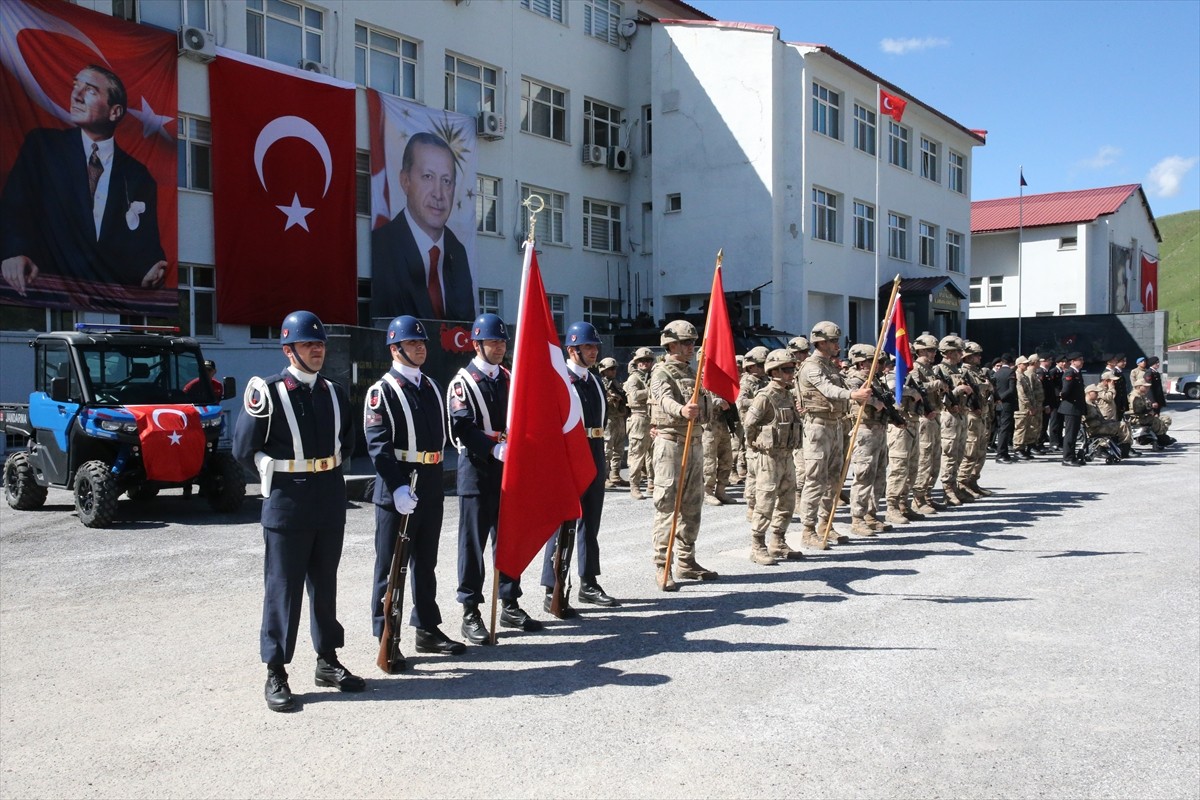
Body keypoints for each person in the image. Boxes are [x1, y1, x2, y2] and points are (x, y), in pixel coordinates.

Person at [233, 310, 362, 712]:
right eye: (309, 344)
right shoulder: (267, 392)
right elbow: (242, 449)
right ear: (289, 350)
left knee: (326, 586)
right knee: (283, 590)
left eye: (321, 344)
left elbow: (348, 445)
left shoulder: (335, 392)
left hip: (327, 499)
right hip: (287, 502)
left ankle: (327, 660)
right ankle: (276, 669)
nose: (318, 350)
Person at [1, 65, 166, 298]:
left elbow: (145, 246)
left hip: (108, 300)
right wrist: (14, 252)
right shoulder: (42, 147)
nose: (76, 95)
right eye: (75, 85)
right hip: (43, 292)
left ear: (115, 112)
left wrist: (151, 269)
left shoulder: (139, 175)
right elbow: (14, 210)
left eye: (90, 90)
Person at [367, 315, 466, 661]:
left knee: (426, 562)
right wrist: (396, 487)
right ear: (395, 349)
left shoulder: (431, 386)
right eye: (412, 343)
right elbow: (378, 445)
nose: (420, 348)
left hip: (429, 481)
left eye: (422, 343)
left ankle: (426, 628)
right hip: (399, 484)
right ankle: (386, 634)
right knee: (391, 564)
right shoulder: (382, 391)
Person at [447, 313, 542, 645]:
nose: (499, 347)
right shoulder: (463, 382)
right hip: (477, 468)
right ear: (476, 345)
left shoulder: (507, 376)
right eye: (493, 342)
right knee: (473, 543)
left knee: (508, 539)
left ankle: (510, 601)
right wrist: (492, 449)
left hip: (509, 466)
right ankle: (470, 609)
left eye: (502, 341)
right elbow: (462, 425)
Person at [541, 321, 616, 614]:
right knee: (562, 524)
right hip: (569, 454)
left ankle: (588, 582)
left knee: (590, 523)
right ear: (571, 350)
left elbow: (603, 418)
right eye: (588, 347)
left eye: (595, 346)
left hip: (594, 450)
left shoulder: (594, 380)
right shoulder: (561, 381)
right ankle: (553, 587)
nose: (594, 351)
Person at [370, 132, 474, 321]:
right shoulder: (381, 246)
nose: (438, 194)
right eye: (428, 177)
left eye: (446, 181)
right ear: (405, 181)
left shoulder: (457, 252)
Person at [649, 320, 719, 590]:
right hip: (671, 444)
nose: (692, 347)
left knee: (692, 504)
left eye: (693, 342)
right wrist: (681, 410)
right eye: (686, 342)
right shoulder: (661, 372)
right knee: (667, 504)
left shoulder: (694, 371)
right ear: (671, 344)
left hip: (696, 443)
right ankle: (662, 564)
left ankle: (687, 561)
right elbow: (663, 398)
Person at [796, 321, 874, 550]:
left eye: (837, 340)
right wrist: (853, 394)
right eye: (832, 341)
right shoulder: (811, 366)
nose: (836, 345)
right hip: (818, 427)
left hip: (835, 425)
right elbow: (828, 390)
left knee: (834, 480)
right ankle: (808, 530)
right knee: (815, 479)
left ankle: (825, 524)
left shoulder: (831, 366)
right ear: (820, 342)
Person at [742, 348, 804, 564]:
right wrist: (754, 445)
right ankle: (758, 545)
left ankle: (778, 540)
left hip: (786, 455)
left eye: (792, 369)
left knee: (787, 500)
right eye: (787, 369)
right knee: (766, 500)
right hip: (768, 456)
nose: (791, 373)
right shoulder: (765, 396)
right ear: (774, 371)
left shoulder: (788, 394)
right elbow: (749, 424)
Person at [844, 345, 893, 536]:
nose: (880, 365)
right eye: (876, 362)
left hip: (879, 430)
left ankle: (871, 514)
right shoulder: (854, 379)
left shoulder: (876, 380)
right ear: (863, 362)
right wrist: (874, 402)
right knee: (864, 476)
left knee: (879, 475)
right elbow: (855, 396)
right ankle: (857, 518)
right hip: (864, 430)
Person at [934, 335, 974, 506]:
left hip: (961, 414)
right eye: (958, 351)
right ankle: (947, 489)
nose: (960, 354)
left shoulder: (958, 370)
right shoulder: (939, 370)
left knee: (959, 452)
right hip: (948, 415)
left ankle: (955, 485)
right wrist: (958, 390)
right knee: (949, 453)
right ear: (948, 353)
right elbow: (938, 395)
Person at [909, 333, 946, 515]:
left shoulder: (930, 369)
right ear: (920, 350)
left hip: (935, 415)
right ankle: (918, 498)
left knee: (934, 458)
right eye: (930, 350)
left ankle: (928, 494)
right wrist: (936, 384)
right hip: (924, 416)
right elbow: (916, 390)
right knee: (924, 457)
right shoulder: (915, 369)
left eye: (934, 351)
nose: (933, 354)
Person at [737, 346, 770, 522]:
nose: (764, 367)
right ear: (751, 366)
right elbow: (740, 402)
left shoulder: (765, 381)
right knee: (753, 472)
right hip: (753, 431)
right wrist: (762, 402)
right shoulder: (747, 382)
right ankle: (751, 506)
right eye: (760, 364)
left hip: (767, 432)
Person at [623, 347, 656, 500]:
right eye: (642, 361)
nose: (645, 363)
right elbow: (634, 396)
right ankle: (634, 486)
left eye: (648, 360)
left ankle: (652, 483)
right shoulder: (634, 379)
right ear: (636, 363)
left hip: (653, 417)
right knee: (637, 454)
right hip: (639, 418)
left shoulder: (653, 376)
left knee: (653, 454)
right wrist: (651, 390)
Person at [598, 357, 630, 488]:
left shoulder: (616, 383)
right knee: (607, 449)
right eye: (610, 369)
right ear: (604, 371)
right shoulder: (601, 384)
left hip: (619, 418)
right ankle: (604, 477)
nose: (613, 371)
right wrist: (611, 398)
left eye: (614, 369)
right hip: (609, 419)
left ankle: (615, 475)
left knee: (619, 448)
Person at [1058, 352, 1086, 466]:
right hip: (1070, 407)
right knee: (1070, 434)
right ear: (1073, 361)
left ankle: (1072, 456)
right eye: (1080, 359)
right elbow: (1065, 391)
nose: (1082, 361)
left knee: (1074, 434)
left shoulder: (1077, 373)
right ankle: (1067, 458)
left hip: (1076, 408)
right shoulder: (1070, 373)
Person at [992, 353, 1017, 464]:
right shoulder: (1011, 372)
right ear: (1011, 363)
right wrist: (1001, 398)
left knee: (1000, 427)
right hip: (1006, 404)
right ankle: (1001, 453)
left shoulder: (997, 373)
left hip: (998, 404)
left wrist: (997, 399)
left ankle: (1003, 452)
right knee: (1005, 429)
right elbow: (1011, 390)